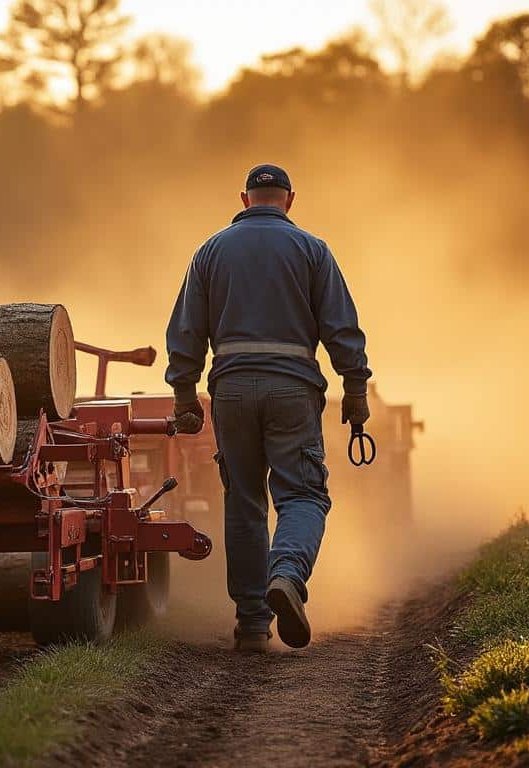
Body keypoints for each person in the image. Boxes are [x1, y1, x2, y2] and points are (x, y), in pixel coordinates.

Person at [165, 163, 371, 652]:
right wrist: (356, 390)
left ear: (244, 200)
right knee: (302, 496)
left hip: (231, 392)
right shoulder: (312, 250)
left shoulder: (210, 252)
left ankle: (253, 623)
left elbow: (187, 329)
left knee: (244, 501)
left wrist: (183, 393)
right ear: (289, 200)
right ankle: (287, 574)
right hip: (292, 390)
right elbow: (341, 327)